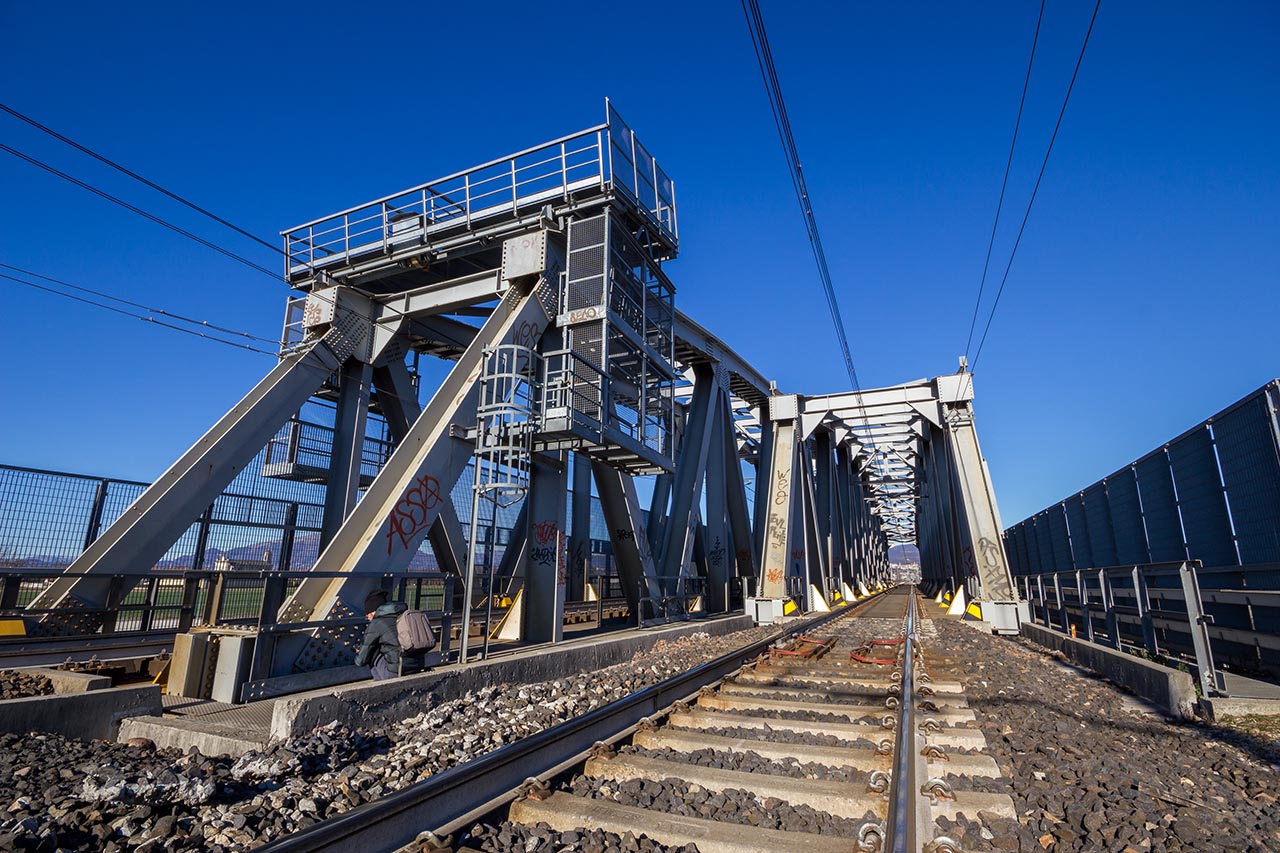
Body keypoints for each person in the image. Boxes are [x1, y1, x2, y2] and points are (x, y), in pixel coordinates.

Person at [355, 590, 406, 680]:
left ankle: (381, 685)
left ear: (373, 612)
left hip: (397, 672)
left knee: (372, 654)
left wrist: (359, 653)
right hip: (417, 664)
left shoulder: (377, 623)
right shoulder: (402, 615)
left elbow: (361, 661)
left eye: (368, 615)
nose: (368, 619)